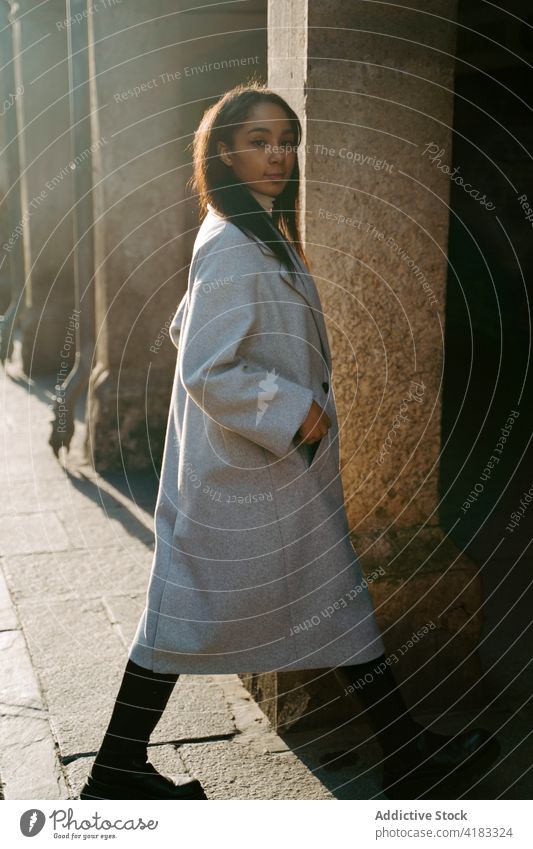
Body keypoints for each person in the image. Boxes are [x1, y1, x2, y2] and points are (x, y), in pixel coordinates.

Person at [79, 83, 500, 801]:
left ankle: (400, 752)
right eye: (258, 141)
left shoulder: (245, 230)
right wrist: (294, 410)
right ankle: (115, 770)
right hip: (243, 480)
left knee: (327, 606)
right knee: (187, 617)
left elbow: (186, 327)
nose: (278, 155)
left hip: (262, 476)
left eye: (286, 140)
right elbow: (205, 364)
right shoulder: (234, 245)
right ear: (223, 152)